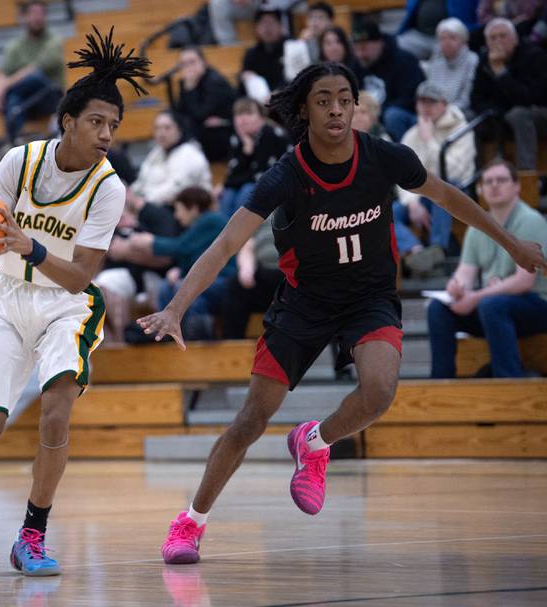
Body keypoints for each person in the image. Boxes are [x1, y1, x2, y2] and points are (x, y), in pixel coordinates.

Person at [136, 62, 546, 564]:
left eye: (344, 99)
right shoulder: (285, 175)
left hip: (369, 296)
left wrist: (511, 243)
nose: (335, 109)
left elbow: (447, 197)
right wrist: (176, 307)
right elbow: (225, 244)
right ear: (305, 110)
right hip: (304, 302)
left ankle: (314, 442)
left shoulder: (385, 157)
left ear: (355, 106)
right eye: (324, 100)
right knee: (250, 420)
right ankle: (190, 522)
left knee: (379, 391)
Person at [0, 27, 150, 576]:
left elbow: (79, 278)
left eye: (114, 125)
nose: (106, 134)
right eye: (96, 121)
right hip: (7, 298)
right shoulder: (18, 162)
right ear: (67, 120)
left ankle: (31, 535)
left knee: (56, 416)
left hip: (67, 306)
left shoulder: (108, 188)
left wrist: (31, 248)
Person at [428, 159, 547, 377]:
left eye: (501, 180)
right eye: (488, 181)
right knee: (438, 308)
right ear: (481, 189)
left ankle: (509, 382)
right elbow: (464, 274)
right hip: (494, 306)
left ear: (517, 186)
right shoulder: (477, 227)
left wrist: (476, 297)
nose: (494, 185)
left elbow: (524, 281)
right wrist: (456, 287)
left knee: (492, 306)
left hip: (537, 304)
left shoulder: (531, 220)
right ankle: (441, 384)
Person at [129, 187, 236, 341]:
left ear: (192, 208)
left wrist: (151, 241)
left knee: (184, 289)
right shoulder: (200, 223)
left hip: (224, 279)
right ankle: (167, 334)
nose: (176, 215)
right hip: (211, 279)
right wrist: (179, 270)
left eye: (178, 209)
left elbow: (183, 247)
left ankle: (195, 339)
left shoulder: (210, 220)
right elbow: (197, 255)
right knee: (165, 287)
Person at [395, 81, 476, 271]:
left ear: (444, 104)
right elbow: (400, 174)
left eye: (431, 102)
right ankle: (416, 251)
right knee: (387, 212)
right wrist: (412, 203)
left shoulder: (462, 130)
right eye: (422, 102)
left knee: (444, 190)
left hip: (457, 191)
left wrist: (429, 140)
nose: (426, 107)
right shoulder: (411, 135)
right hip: (423, 195)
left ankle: (438, 249)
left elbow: (452, 172)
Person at [470, 18, 547, 173]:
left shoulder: (534, 56)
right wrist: (493, 111)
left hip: (537, 112)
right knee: (471, 117)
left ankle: (527, 175)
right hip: (501, 112)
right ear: (486, 42)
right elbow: (476, 98)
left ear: (515, 38)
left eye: (503, 36)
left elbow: (528, 98)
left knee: (518, 114)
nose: (498, 41)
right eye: (493, 38)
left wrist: (500, 72)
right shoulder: (485, 60)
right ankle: (476, 175)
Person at [0, 0, 64, 143]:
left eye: (41, 13)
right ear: (24, 16)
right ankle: (14, 141)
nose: (37, 17)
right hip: (26, 101)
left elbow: (34, 70)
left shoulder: (53, 40)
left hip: (50, 97)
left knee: (34, 78)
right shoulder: (16, 45)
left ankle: (11, 139)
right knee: (13, 100)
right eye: (33, 13)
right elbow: (4, 72)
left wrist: (3, 87)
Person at [352, 20, 425, 141]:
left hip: (401, 116)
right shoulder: (357, 64)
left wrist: (376, 111)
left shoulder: (404, 61)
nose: (360, 54)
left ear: (379, 43)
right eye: (357, 49)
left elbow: (410, 98)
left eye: (364, 48)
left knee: (392, 115)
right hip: (368, 114)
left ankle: (399, 150)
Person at [219, 97, 290, 217]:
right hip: (251, 181)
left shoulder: (270, 133)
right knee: (228, 194)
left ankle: (242, 228)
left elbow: (260, 174)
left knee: (247, 190)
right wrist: (247, 149)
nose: (242, 119)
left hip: (280, 184)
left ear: (262, 117)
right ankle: (225, 229)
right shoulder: (239, 138)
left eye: (249, 113)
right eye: (238, 114)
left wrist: (228, 183)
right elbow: (234, 172)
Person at [128, 111, 211, 208]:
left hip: (186, 210)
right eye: (157, 128)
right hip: (154, 204)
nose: (161, 133)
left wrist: (142, 200)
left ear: (179, 129)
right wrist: (130, 195)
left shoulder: (190, 153)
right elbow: (141, 180)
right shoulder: (157, 152)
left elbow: (174, 189)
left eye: (167, 128)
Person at [175, 47, 237, 162]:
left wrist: (190, 90)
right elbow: (180, 111)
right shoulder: (188, 81)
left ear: (204, 62)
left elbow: (200, 114)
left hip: (226, 129)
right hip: (204, 128)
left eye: (192, 62)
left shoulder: (214, 81)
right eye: (184, 64)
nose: (189, 67)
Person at [396, 0, 478, 60]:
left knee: (447, 50)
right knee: (395, 47)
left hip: (444, 38)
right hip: (419, 35)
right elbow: (408, 17)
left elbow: (468, 20)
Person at [240, 6, 287, 103]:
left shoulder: (291, 47)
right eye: (263, 23)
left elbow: (297, 77)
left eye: (271, 23)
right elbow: (242, 87)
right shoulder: (251, 53)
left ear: (281, 26)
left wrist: (278, 92)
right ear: (256, 28)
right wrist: (246, 77)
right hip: (260, 103)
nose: (267, 28)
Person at [283, 2, 334, 82]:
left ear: (330, 21)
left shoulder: (337, 42)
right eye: (311, 17)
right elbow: (292, 73)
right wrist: (300, 43)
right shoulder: (301, 42)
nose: (315, 22)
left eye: (320, 17)